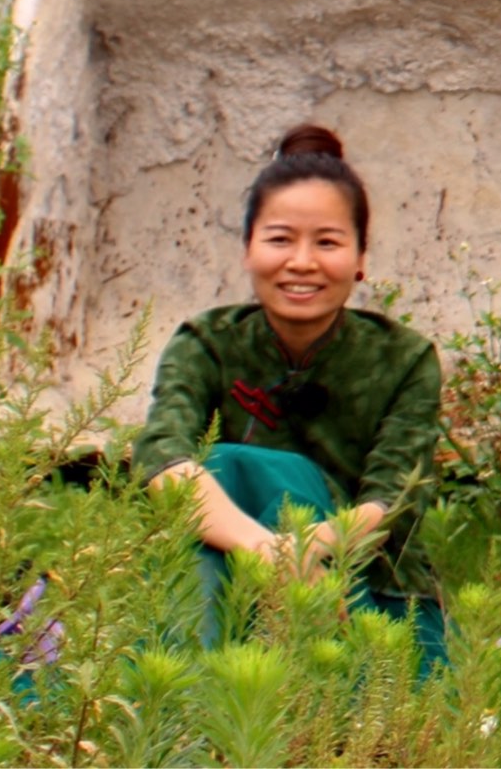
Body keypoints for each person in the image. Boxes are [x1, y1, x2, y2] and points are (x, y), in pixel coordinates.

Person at [129, 125, 445, 659]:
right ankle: (192, 704)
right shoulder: (206, 343)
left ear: (361, 257)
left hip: (363, 584)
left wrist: (309, 551)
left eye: (327, 241)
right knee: (223, 465)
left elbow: (392, 498)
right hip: (222, 568)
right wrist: (268, 551)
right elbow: (163, 460)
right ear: (247, 251)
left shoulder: (404, 359)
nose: (302, 262)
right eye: (279, 239)